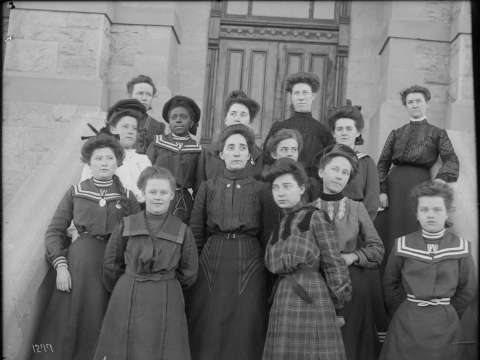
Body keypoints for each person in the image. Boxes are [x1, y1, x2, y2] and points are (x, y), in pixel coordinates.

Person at [31, 134, 140, 360]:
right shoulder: (76, 192)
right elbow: (54, 231)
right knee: (69, 321)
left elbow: (137, 237)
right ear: (89, 162)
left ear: (118, 162)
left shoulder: (127, 196)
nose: (103, 163)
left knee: (102, 319)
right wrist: (61, 266)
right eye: (98, 158)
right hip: (78, 264)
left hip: (113, 265)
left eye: (109, 158)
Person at [93, 166, 198, 360]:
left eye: (163, 192)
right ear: (143, 193)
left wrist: (167, 284)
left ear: (172, 195)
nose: (158, 197)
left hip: (167, 296)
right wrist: (126, 284)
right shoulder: (126, 224)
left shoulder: (183, 230)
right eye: (152, 192)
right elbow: (111, 264)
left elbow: (189, 272)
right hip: (127, 294)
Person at [188, 124, 268, 360]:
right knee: (209, 318)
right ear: (221, 154)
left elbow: (267, 232)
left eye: (242, 147)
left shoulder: (261, 189)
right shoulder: (208, 186)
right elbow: (196, 229)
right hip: (213, 257)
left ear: (250, 154)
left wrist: (263, 267)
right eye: (230, 147)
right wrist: (196, 264)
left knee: (246, 320)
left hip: (250, 259)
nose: (236, 152)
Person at [262, 158, 352, 360]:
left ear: (301, 188)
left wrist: (338, 305)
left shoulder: (315, 217)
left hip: (311, 297)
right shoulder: (280, 224)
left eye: (287, 186)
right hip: (283, 298)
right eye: (276, 188)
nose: (280, 192)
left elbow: (333, 262)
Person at [380, 181, 476, 360]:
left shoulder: (461, 247)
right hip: (407, 322)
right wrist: (405, 309)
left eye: (437, 209)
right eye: (424, 209)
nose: (430, 215)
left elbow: (467, 288)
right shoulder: (402, 244)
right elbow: (390, 284)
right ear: (417, 213)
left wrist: (448, 312)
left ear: (447, 212)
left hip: (447, 323)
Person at [313, 144, 385, 360]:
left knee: (350, 344)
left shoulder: (356, 208)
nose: (339, 176)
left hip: (352, 285)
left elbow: (377, 250)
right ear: (321, 172)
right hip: (318, 285)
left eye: (345, 173)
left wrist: (353, 256)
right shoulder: (308, 208)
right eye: (335, 169)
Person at [375, 84, 459, 265]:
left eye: (418, 101)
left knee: (414, 228)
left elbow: (451, 159)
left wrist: (440, 179)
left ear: (426, 103)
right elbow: (382, 163)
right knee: (389, 231)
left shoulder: (437, 133)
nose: (414, 105)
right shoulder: (396, 133)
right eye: (410, 102)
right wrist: (382, 190)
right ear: (406, 106)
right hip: (394, 186)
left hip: (420, 185)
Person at [263, 71, 334, 177]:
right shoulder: (278, 127)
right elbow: (266, 159)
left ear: (313, 96)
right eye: (297, 93)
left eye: (305, 93)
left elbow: (327, 164)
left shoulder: (322, 131)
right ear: (291, 96)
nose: (301, 98)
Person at [81, 99, 152, 203]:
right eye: (125, 126)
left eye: (134, 128)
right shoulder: (97, 158)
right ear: (113, 129)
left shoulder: (142, 160)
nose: (130, 131)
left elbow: (149, 192)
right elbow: (84, 192)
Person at [146, 95, 202, 223]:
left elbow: (199, 185)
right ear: (168, 122)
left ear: (192, 122)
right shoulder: (157, 144)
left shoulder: (196, 149)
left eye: (183, 117)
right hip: (156, 196)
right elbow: (146, 175)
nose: (178, 120)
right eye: (174, 117)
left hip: (182, 203)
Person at [195, 90, 263, 190]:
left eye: (243, 114)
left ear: (250, 121)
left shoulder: (258, 156)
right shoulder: (208, 153)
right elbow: (199, 189)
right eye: (233, 114)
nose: (237, 119)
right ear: (226, 120)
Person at [327, 100, 380, 220]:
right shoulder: (324, 161)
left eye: (349, 129)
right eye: (339, 129)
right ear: (333, 133)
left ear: (357, 132)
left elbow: (372, 202)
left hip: (355, 221)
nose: (344, 133)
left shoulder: (366, 162)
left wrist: (360, 226)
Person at [126, 74, 166, 153]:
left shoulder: (158, 128)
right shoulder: (116, 121)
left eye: (148, 95)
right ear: (130, 96)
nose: (144, 98)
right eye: (140, 93)